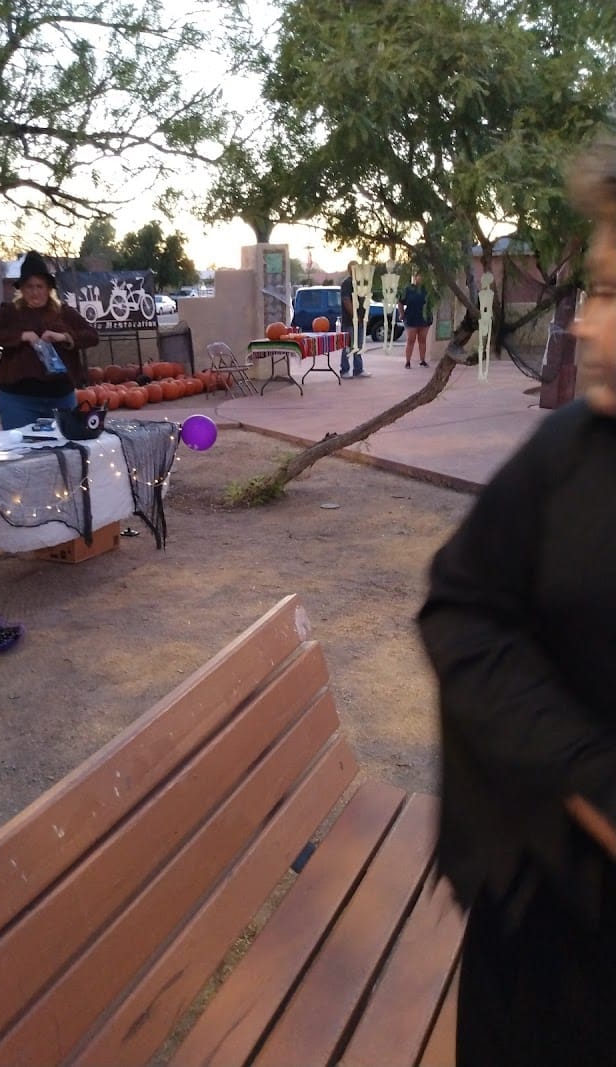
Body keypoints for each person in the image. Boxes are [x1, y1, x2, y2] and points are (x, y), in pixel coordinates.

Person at [417, 141, 616, 1067]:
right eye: (603, 290)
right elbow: (462, 606)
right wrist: (586, 773)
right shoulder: (569, 453)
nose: (588, 330)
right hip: (544, 941)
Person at [0, 250, 99, 430]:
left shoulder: (64, 313)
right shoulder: (10, 312)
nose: (35, 292)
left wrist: (64, 337)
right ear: (22, 289)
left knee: (66, 450)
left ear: (49, 289)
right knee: (22, 452)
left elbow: (92, 336)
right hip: (18, 400)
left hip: (60, 397)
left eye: (39, 286)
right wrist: (20, 336)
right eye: (29, 286)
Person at [339, 260, 369, 378]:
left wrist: (365, 315)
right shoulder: (347, 283)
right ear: (349, 270)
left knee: (358, 346)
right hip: (350, 321)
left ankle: (358, 369)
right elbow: (346, 300)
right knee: (348, 346)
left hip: (360, 320)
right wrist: (355, 315)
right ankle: (344, 370)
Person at [398, 273, 432, 367]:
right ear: (415, 277)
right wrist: (401, 314)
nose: (421, 278)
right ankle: (408, 361)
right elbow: (400, 302)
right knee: (411, 339)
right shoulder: (408, 289)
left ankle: (423, 360)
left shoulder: (428, 290)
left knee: (422, 339)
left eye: (423, 276)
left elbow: (432, 302)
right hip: (411, 317)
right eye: (419, 276)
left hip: (425, 318)